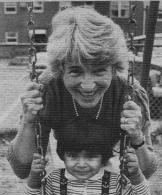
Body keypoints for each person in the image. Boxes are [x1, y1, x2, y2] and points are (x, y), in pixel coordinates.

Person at [7, 6, 157, 179]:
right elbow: (21, 169)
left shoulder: (130, 93)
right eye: (76, 71)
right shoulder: (47, 89)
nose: (87, 86)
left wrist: (137, 136)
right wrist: (28, 122)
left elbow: (146, 172)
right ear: (61, 69)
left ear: (114, 69)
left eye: (99, 71)